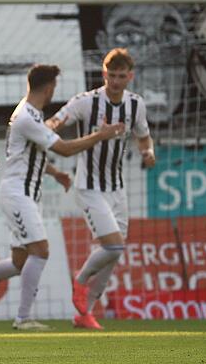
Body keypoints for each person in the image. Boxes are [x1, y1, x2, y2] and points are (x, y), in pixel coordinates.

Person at [0, 64, 125, 330]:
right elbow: (66, 148)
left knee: (19, 262)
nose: (54, 91)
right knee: (41, 251)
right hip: (18, 194)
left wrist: (56, 173)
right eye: (55, 87)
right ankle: (23, 319)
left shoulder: (30, 113)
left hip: (25, 194)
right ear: (49, 88)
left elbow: (28, 156)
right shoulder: (27, 117)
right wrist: (100, 135)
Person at [47, 48, 155, 330]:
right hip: (89, 186)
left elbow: (144, 137)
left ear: (130, 76)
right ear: (104, 74)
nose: (116, 81)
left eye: (122, 76)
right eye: (112, 76)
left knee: (114, 253)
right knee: (114, 244)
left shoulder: (136, 105)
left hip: (117, 190)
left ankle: (85, 314)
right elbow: (55, 122)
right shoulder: (86, 102)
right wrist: (50, 126)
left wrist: (148, 153)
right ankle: (80, 281)